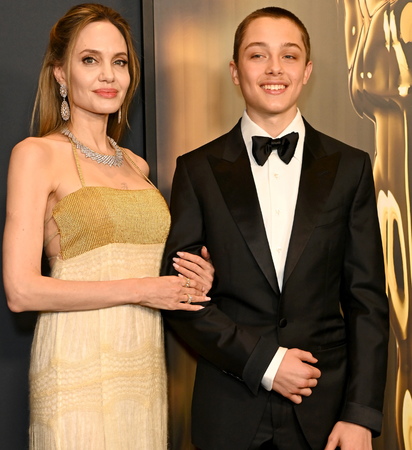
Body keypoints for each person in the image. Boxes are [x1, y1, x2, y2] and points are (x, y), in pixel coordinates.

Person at [161, 7, 389, 450]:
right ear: (234, 70)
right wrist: (266, 361)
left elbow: (366, 303)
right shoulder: (195, 171)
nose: (274, 69)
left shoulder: (351, 168)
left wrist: (360, 414)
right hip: (229, 412)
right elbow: (180, 299)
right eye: (257, 55)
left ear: (307, 71)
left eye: (289, 56)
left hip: (327, 416)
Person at [2, 4, 213, 450]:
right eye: (89, 60)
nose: (108, 76)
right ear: (61, 73)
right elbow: (21, 291)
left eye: (119, 62)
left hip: (140, 363)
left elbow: (159, 273)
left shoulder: (137, 166)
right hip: (74, 360)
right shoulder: (36, 155)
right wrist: (143, 289)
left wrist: (195, 278)